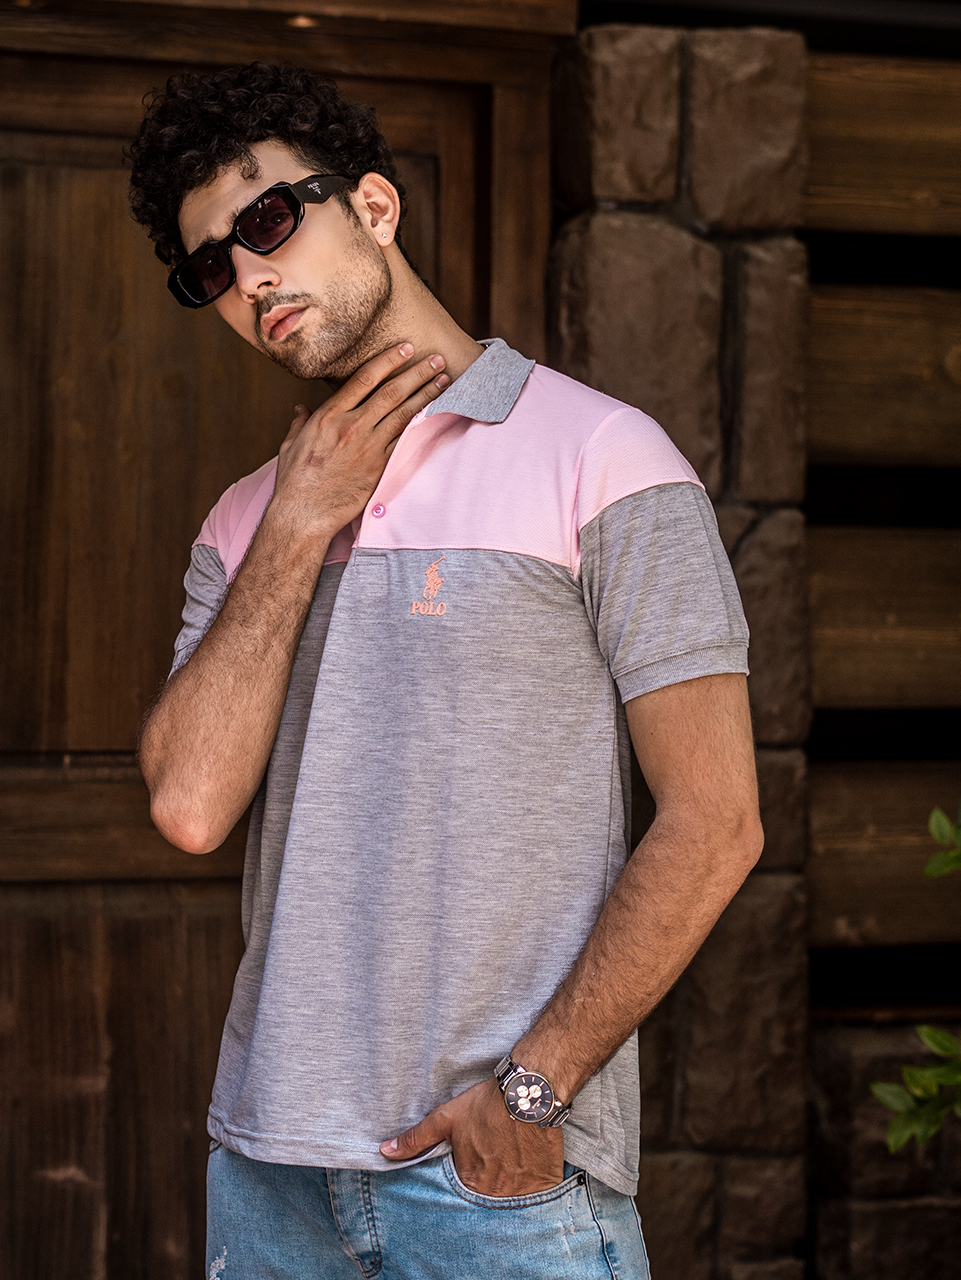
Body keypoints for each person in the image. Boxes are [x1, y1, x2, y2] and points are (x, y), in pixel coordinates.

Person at [129, 62, 762, 1279]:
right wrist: (298, 518)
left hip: (497, 1185)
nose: (248, 277)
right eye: (209, 267)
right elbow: (190, 804)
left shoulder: (602, 456)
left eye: (268, 220)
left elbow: (716, 820)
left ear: (372, 206)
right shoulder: (243, 521)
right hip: (270, 1175)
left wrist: (531, 1092)